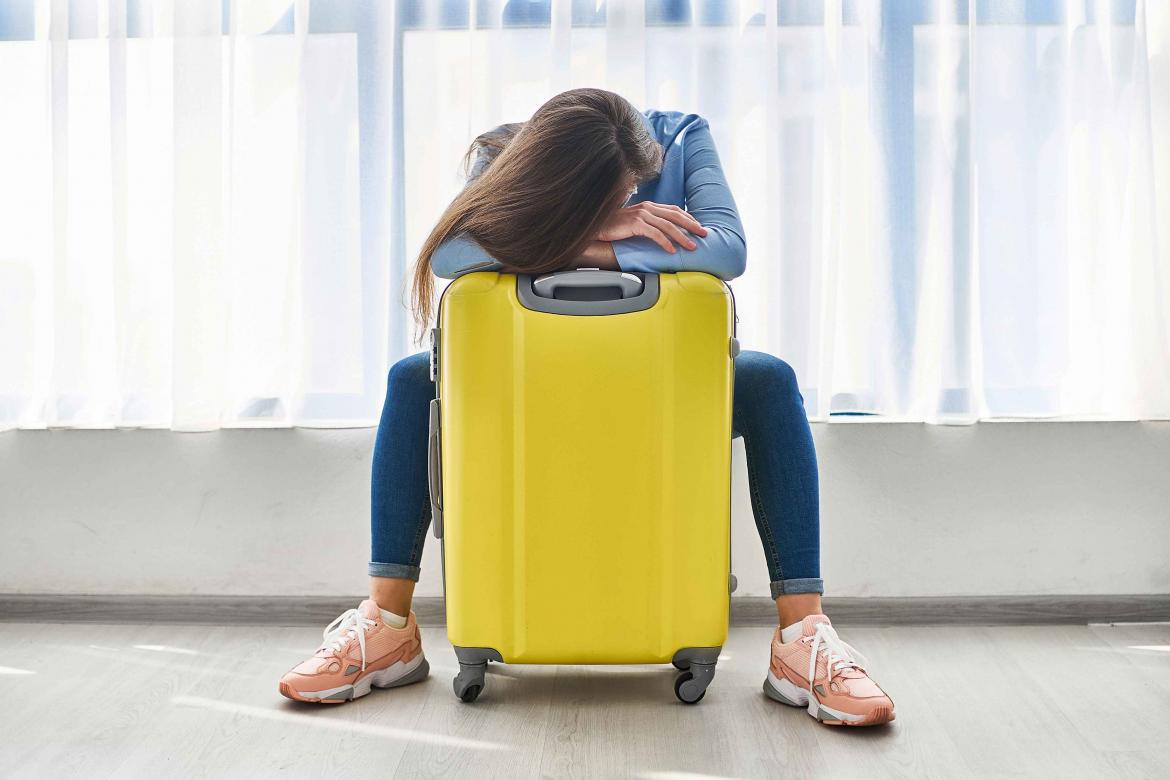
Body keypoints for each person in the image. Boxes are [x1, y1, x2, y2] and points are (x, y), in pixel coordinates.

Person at [279, 88, 895, 726]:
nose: (627, 204)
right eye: (605, 200)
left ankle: (803, 640)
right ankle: (387, 628)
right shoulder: (501, 153)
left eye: (631, 192)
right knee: (413, 378)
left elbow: (726, 249)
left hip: (659, 372)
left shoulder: (682, 138)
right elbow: (451, 253)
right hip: (529, 372)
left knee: (768, 379)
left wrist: (577, 243)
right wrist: (593, 232)